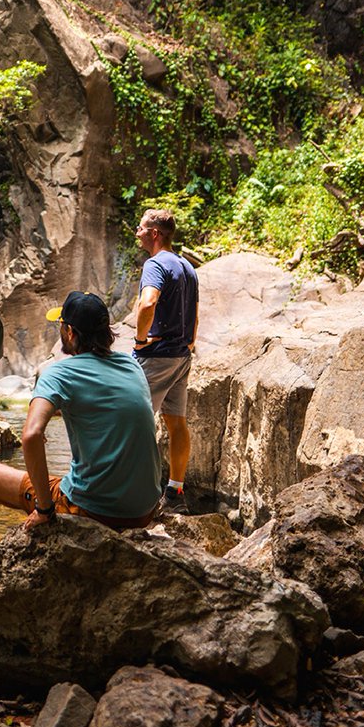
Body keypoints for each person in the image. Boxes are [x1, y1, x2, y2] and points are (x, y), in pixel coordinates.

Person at [0, 291, 161, 530]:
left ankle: (43, 516)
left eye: (61, 326)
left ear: (70, 332)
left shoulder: (59, 372)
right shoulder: (131, 365)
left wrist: (44, 508)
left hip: (96, 511)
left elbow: (30, 435)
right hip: (145, 509)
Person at [133, 208, 199, 513]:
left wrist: (139, 340)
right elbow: (195, 313)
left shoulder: (155, 264)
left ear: (155, 234)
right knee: (176, 423)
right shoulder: (187, 267)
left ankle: (135, 494)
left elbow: (148, 303)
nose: (137, 232)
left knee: (134, 423)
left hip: (156, 358)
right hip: (182, 357)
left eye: (141, 228)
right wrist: (190, 342)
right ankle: (175, 493)